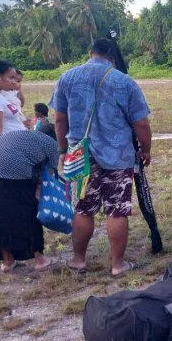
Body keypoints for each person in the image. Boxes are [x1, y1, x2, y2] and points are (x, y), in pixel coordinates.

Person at [51, 38, 152, 277]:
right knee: (117, 209)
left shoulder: (66, 78)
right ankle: (117, 265)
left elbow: (60, 120)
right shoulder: (124, 81)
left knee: (83, 208)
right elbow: (141, 123)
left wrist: (63, 150)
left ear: (90, 53)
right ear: (113, 57)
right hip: (118, 154)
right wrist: (146, 149)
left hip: (81, 154)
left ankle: (78, 260)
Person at [0, 130, 60, 272]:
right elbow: (46, 179)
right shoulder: (53, 145)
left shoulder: (25, 135)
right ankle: (40, 260)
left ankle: (8, 261)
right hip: (8, 174)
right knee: (25, 214)